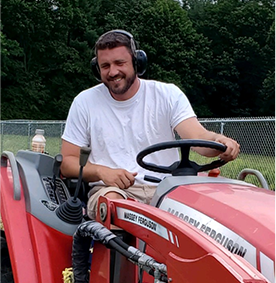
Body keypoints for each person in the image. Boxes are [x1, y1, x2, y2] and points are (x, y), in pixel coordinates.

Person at [61, 29, 240, 219]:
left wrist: (220, 141)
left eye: (120, 63)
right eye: (105, 66)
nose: (113, 72)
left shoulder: (167, 95)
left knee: (211, 217)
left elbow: (199, 139)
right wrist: (101, 171)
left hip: (167, 189)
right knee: (115, 209)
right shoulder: (85, 102)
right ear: (97, 70)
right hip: (113, 189)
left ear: (137, 63)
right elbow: (67, 162)